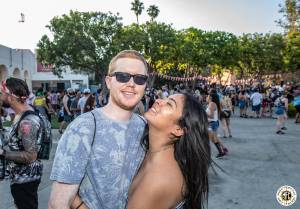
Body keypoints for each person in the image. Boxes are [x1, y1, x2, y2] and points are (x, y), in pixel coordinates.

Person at [71, 93, 211, 209]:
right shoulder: (149, 151)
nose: (158, 100)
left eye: (169, 104)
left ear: (179, 130)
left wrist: (75, 201)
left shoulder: (160, 180)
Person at [48, 50, 148, 209]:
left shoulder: (146, 127)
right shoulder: (83, 128)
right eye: (122, 76)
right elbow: (58, 203)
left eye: (140, 79)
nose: (131, 83)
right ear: (108, 81)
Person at [0, 78, 43, 209]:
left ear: (10, 95)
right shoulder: (20, 115)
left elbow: (30, 156)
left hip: (25, 180)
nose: (0, 97)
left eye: (1, 94)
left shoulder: (27, 121)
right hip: (20, 178)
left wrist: (3, 153)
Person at [206, 91, 228, 158]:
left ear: (211, 97)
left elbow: (211, 116)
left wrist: (203, 113)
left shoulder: (212, 104)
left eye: (208, 96)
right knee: (213, 139)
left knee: (211, 139)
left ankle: (221, 152)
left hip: (211, 124)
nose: (207, 97)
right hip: (212, 123)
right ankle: (222, 151)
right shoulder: (212, 103)